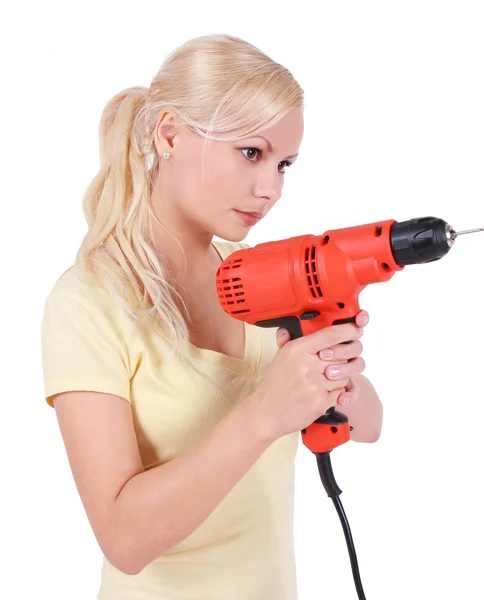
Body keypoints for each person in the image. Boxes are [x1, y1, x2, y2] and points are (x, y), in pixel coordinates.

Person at [41, 33, 381, 600]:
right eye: (251, 153)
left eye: (284, 163)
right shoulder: (87, 303)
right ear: (169, 133)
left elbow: (369, 426)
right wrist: (264, 413)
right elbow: (123, 540)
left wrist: (334, 369)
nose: (270, 189)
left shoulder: (258, 275)